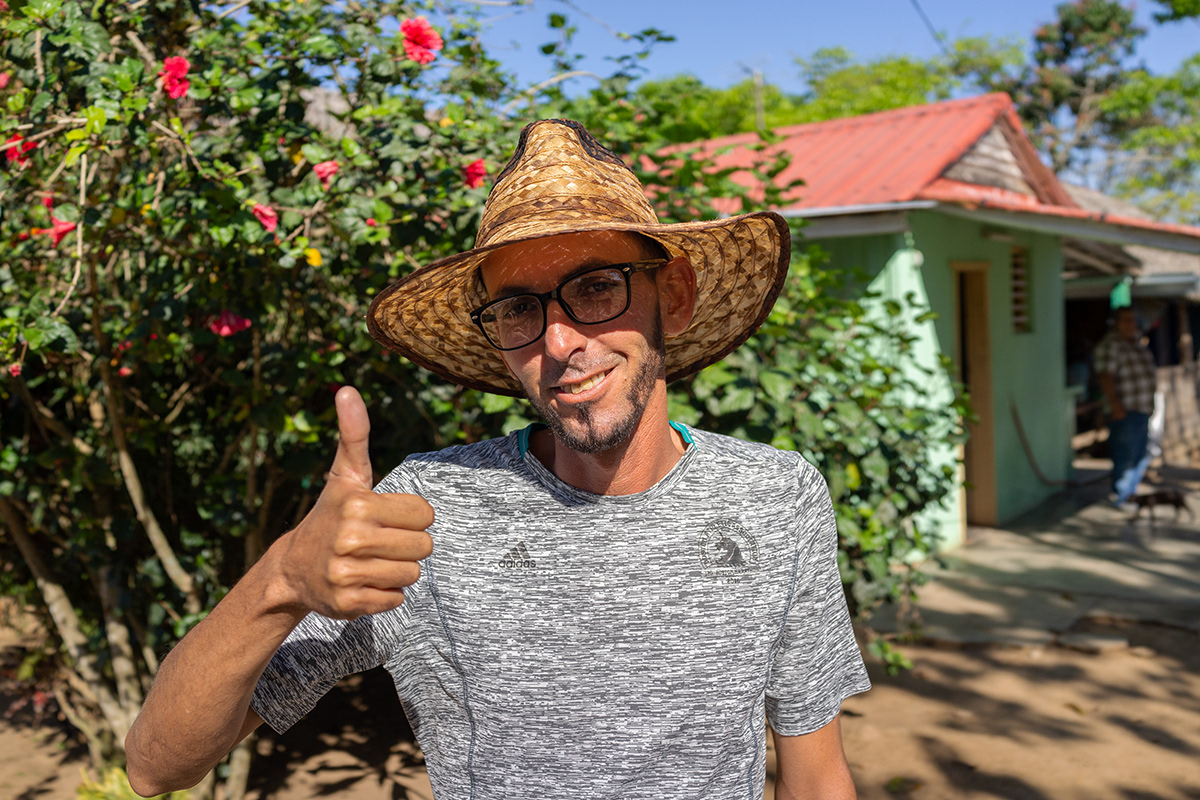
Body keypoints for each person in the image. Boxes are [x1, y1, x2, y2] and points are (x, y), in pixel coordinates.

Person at [125, 119, 870, 800]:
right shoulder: (425, 511)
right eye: (519, 308)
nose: (558, 342)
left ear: (672, 295)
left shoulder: (775, 496)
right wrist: (282, 577)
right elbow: (159, 765)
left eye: (596, 288)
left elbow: (815, 768)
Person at [1095, 306, 1157, 506]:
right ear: (1116, 323)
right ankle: (1121, 496)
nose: (1131, 324)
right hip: (1124, 411)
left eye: (1133, 320)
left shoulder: (1136, 344)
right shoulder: (1111, 345)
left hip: (1141, 409)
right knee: (1125, 456)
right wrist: (1115, 404)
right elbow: (1105, 376)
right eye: (1126, 320)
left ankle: (1130, 494)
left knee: (1140, 456)